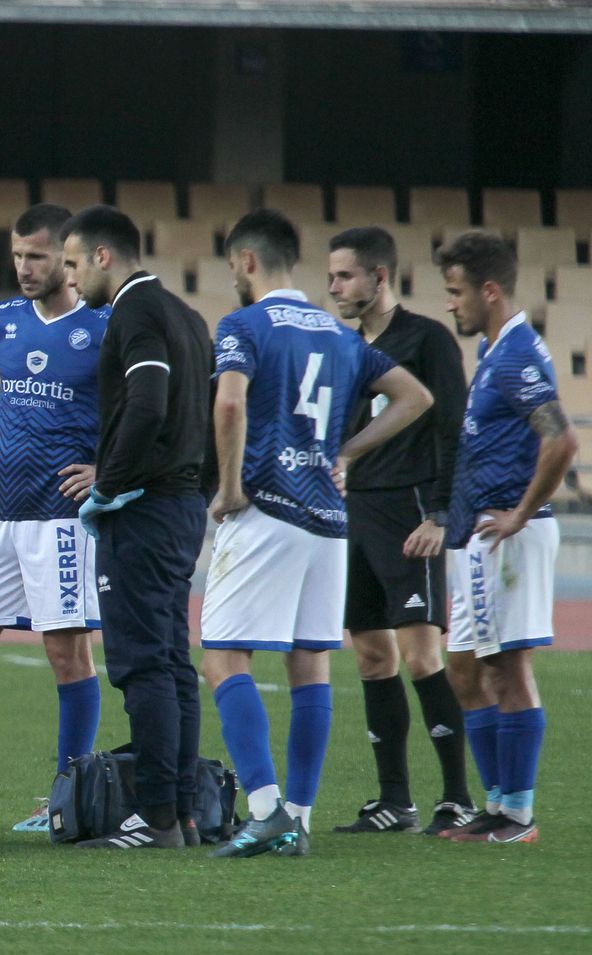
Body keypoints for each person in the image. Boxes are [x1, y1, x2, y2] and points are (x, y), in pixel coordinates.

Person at [200, 209, 432, 859]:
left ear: (247, 262)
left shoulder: (243, 325)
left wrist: (228, 488)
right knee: (310, 667)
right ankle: (296, 818)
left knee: (222, 659)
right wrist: (349, 452)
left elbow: (228, 401)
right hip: (329, 519)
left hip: (267, 508)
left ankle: (267, 809)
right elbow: (414, 397)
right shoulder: (339, 334)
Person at [0, 203, 111, 800]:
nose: (24, 267)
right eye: (17, 254)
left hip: (61, 519)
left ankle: (71, 796)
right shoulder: (4, 318)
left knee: (67, 655)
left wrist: (107, 466)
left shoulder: (104, 325)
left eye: (36, 255)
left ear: (68, 257)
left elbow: (145, 406)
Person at [52, 205, 212, 850]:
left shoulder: (136, 312)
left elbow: (147, 401)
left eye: (71, 263)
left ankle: (156, 819)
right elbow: (202, 413)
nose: (69, 278)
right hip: (182, 507)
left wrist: (110, 483)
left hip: (145, 513)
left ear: (102, 257)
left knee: (143, 666)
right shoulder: (190, 316)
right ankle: (185, 812)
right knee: (173, 662)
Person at [325, 226, 477, 836]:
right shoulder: (340, 346)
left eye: (345, 276)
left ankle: (458, 797)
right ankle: (394, 800)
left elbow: (453, 429)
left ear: (379, 278)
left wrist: (440, 515)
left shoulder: (427, 339)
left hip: (412, 510)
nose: (334, 286)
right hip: (356, 514)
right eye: (331, 276)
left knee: (420, 654)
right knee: (369, 655)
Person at [432, 230, 576, 844]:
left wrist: (520, 512)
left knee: (507, 671)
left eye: (456, 291)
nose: (451, 304)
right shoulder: (496, 353)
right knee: (465, 668)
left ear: (490, 290)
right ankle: (496, 805)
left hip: (505, 536)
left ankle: (516, 815)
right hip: (476, 537)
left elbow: (562, 439)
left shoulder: (517, 356)